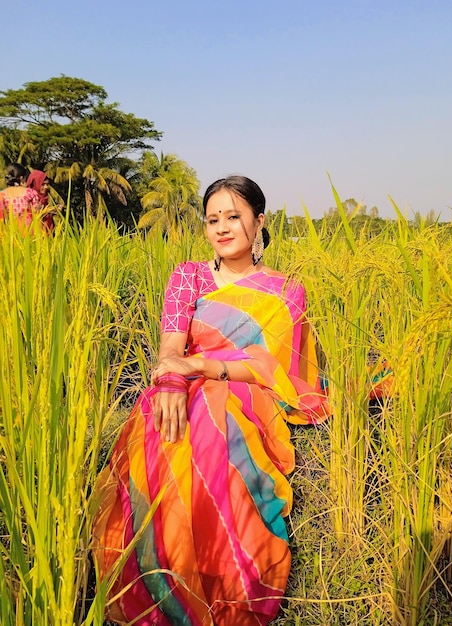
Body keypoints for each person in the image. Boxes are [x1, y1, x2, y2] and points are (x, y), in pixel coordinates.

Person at [92, 175, 331, 626]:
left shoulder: (286, 290)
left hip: (246, 390)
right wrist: (169, 381)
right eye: (212, 219)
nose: (222, 228)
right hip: (184, 381)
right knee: (165, 424)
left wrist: (203, 369)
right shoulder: (189, 276)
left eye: (233, 217)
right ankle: (164, 570)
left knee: (210, 421)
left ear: (259, 222)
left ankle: (222, 574)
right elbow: (170, 347)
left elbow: (275, 370)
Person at [0, 163, 41, 229]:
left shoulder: (2, 195)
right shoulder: (31, 193)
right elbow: (37, 213)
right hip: (28, 232)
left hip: (9, 233)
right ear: (21, 178)